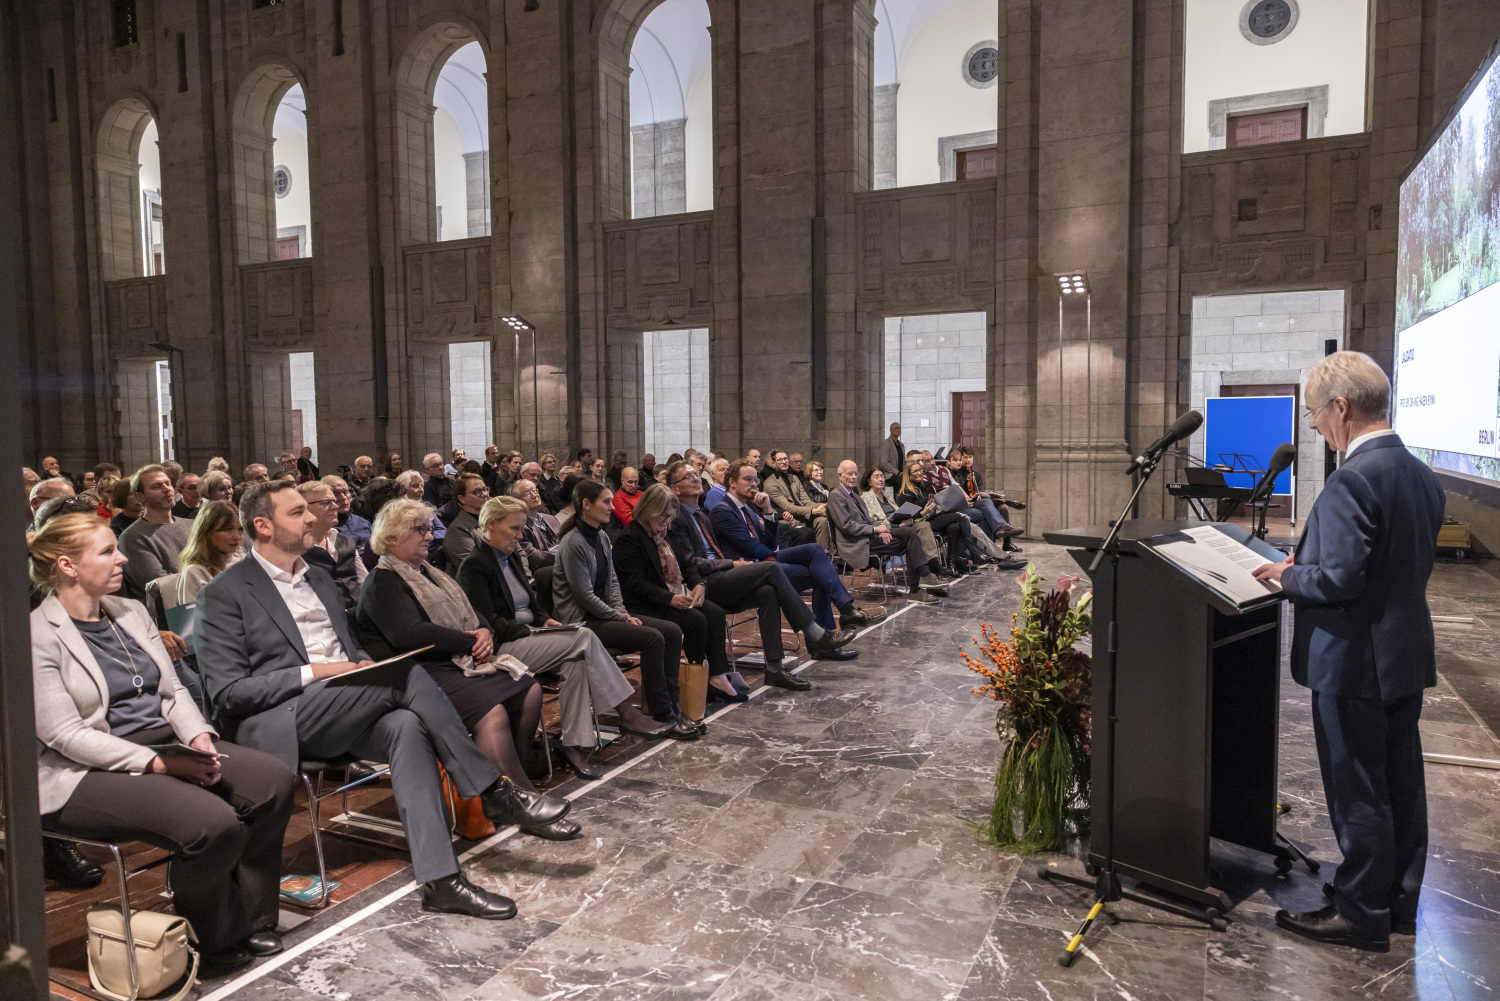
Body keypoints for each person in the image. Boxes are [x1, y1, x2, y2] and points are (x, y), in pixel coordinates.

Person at [194, 480, 563, 920]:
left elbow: (353, 649)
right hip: (284, 715)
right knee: (408, 674)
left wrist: (362, 665)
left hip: (346, 702)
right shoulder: (224, 593)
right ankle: (490, 788)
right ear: (263, 526)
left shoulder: (319, 577)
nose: (313, 517)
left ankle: (441, 881)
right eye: (298, 512)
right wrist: (317, 671)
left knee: (406, 728)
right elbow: (227, 694)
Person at [30, 512, 297, 978]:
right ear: (68, 566)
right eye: (108, 551)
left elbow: (172, 692)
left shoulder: (129, 613)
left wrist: (198, 738)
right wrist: (157, 762)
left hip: (165, 745)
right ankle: (213, 932)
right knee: (212, 824)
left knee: (273, 780)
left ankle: (253, 916)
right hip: (82, 771)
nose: (123, 558)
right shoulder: (35, 635)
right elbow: (64, 735)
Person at [1250, 352, 1445, 953]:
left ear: (1341, 407)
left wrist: (1285, 577)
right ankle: (1396, 902)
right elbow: (1384, 565)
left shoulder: (1353, 477)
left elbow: (1338, 580)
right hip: (1402, 654)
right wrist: (1307, 565)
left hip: (1354, 660)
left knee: (1358, 787)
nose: (1312, 426)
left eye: (1314, 413)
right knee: (1401, 786)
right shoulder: (1418, 473)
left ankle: (1360, 912)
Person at [357, 500, 577, 840]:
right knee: (492, 714)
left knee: (528, 687)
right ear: (393, 535)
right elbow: (409, 634)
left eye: (429, 528)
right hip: (417, 673)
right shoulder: (382, 581)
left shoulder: (431, 573)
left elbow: (473, 613)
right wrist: (468, 640)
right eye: (420, 530)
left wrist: (486, 631)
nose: (430, 536)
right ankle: (522, 802)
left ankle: (512, 785)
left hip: (450, 660)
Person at [456, 496, 670, 779]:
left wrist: (544, 619)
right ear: (492, 525)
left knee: (577, 662)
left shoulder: (510, 557)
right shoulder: (475, 566)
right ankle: (626, 713)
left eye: (522, 529)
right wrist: (536, 629)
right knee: (583, 637)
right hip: (503, 646)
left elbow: (531, 605)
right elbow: (490, 622)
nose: (521, 536)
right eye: (514, 529)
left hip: (530, 636)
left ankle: (574, 745)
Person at [554, 480, 700, 739]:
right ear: (586, 505)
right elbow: (584, 597)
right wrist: (621, 617)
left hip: (606, 615)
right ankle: (662, 712)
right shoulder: (573, 542)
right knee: (653, 638)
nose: (612, 507)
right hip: (581, 622)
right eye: (606, 501)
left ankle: (673, 707)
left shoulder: (599, 535)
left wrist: (623, 613)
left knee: (672, 631)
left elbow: (612, 583)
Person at [710, 459, 874, 635]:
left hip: (763, 559)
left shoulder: (748, 509)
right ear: (732, 482)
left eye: (756, 480)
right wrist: (773, 553)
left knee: (815, 550)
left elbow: (769, 544)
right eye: (748, 479)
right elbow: (752, 548)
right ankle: (830, 629)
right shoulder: (723, 510)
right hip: (751, 568)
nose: (755, 484)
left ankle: (840, 616)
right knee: (821, 573)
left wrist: (767, 510)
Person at [615, 484, 744, 705]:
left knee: (714, 613)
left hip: (671, 596)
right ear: (649, 510)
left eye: (670, 518)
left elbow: (687, 564)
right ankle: (695, 678)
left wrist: (698, 586)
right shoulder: (630, 538)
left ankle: (716, 677)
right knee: (695, 620)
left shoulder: (668, 532)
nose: (667, 523)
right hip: (645, 603)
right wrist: (670, 599)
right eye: (663, 517)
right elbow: (634, 583)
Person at [829, 460, 947, 603]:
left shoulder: (854, 495)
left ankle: (919, 586)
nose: (854, 477)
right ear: (840, 475)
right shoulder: (836, 495)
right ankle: (921, 581)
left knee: (911, 537)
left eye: (855, 473)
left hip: (869, 535)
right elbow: (847, 525)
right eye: (850, 474)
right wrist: (875, 529)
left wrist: (881, 527)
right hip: (856, 541)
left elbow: (868, 519)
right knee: (911, 538)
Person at [860, 467, 951, 585]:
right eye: (876, 477)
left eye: (882, 476)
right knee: (913, 537)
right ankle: (925, 575)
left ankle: (933, 563)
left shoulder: (887, 496)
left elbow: (896, 513)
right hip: (887, 529)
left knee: (923, 525)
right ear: (869, 481)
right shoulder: (865, 497)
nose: (880, 479)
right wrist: (897, 525)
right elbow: (871, 520)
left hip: (900, 525)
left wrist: (906, 520)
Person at [120, 464, 195, 596]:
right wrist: (205, 579)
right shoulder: (132, 537)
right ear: (140, 497)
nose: (167, 489)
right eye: (157, 486)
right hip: (171, 612)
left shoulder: (192, 525)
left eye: (168, 483)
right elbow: (159, 585)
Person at [895, 457, 977, 575]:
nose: (919, 473)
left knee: (955, 527)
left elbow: (936, 502)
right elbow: (907, 518)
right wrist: (923, 512)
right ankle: (973, 552)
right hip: (919, 523)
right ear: (909, 475)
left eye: (920, 470)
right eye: (915, 471)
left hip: (934, 517)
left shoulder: (928, 485)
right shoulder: (906, 492)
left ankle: (951, 564)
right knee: (959, 517)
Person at [298, 480, 366, 608]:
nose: (335, 506)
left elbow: (365, 582)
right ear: (303, 508)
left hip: (358, 615)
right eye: (326, 502)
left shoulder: (345, 541)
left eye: (334, 501)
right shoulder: (295, 549)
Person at [175, 500, 244, 605]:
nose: (237, 536)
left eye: (240, 529)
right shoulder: (195, 573)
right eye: (228, 529)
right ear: (206, 532)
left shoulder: (242, 561)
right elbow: (195, 618)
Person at [763, 451, 826, 548]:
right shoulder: (770, 483)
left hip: (802, 514)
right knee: (805, 532)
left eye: (785, 459)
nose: (784, 462)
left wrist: (824, 506)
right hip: (787, 516)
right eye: (780, 459)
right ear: (774, 463)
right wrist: (813, 511)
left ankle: (823, 553)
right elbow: (787, 506)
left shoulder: (795, 478)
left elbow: (806, 501)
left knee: (822, 520)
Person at [443, 473, 490, 567]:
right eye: (477, 491)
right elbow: (474, 568)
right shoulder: (458, 530)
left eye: (485, 489)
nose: (485, 494)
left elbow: (518, 551)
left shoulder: (493, 519)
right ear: (462, 499)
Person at [511, 479, 560, 568]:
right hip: (544, 572)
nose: (534, 495)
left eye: (535, 491)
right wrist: (562, 556)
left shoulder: (551, 519)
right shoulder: (519, 526)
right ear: (517, 500)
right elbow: (533, 557)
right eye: (527, 494)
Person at [326, 474, 372, 550]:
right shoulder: (326, 527)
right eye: (336, 493)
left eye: (345, 492)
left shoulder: (363, 521)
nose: (343, 498)